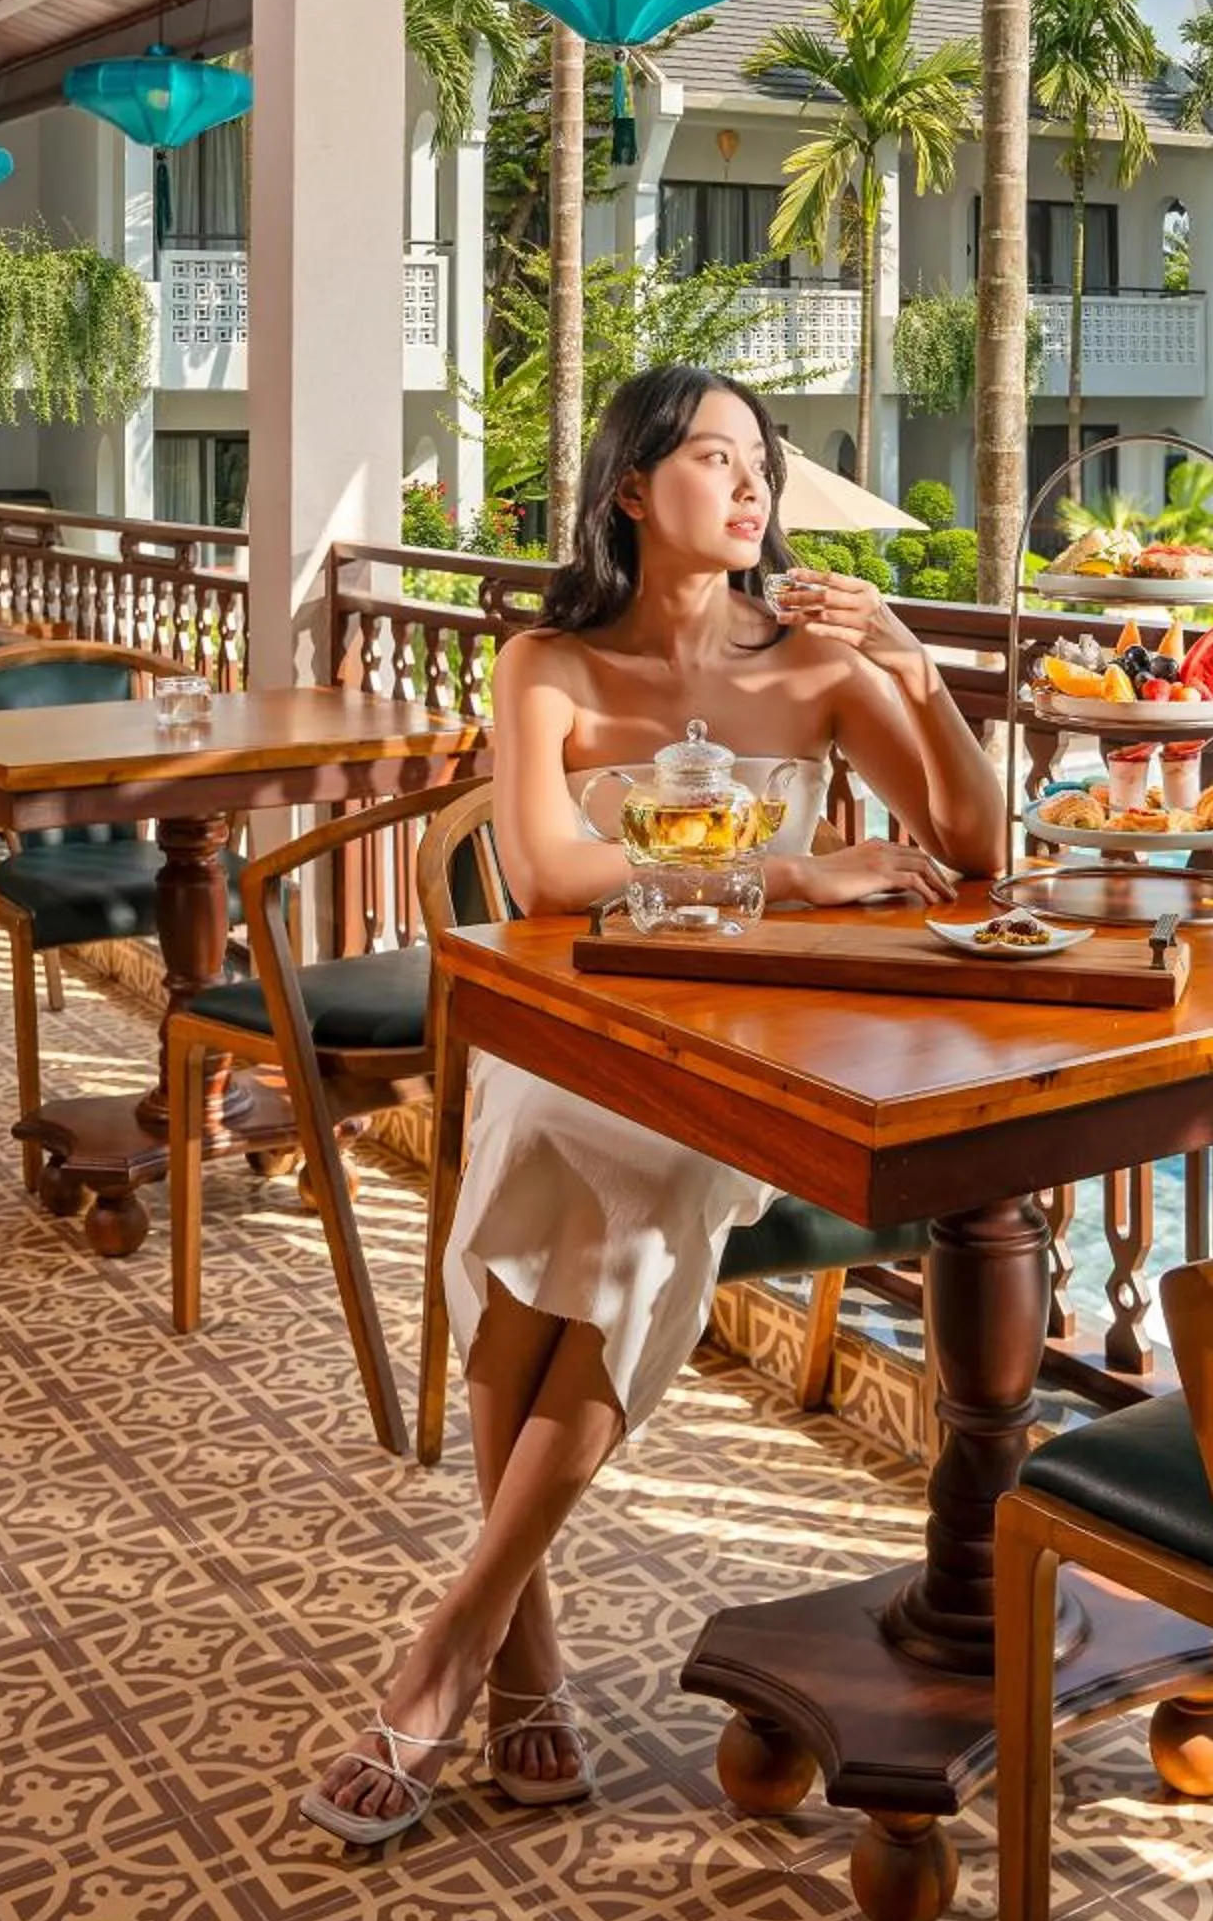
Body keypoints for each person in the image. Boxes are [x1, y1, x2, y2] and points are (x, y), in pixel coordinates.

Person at [302, 366, 1005, 1841]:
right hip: (577, 1029)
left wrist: (918, 670)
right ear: (631, 487)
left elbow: (972, 841)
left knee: (637, 1200)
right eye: (712, 458)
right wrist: (800, 871)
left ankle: (464, 1639)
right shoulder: (543, 665)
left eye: (763, 463)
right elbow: (551, 881)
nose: (751, 489)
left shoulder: (816, 662)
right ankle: (518, 1645)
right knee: (548, 1142)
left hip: (751, 1051)